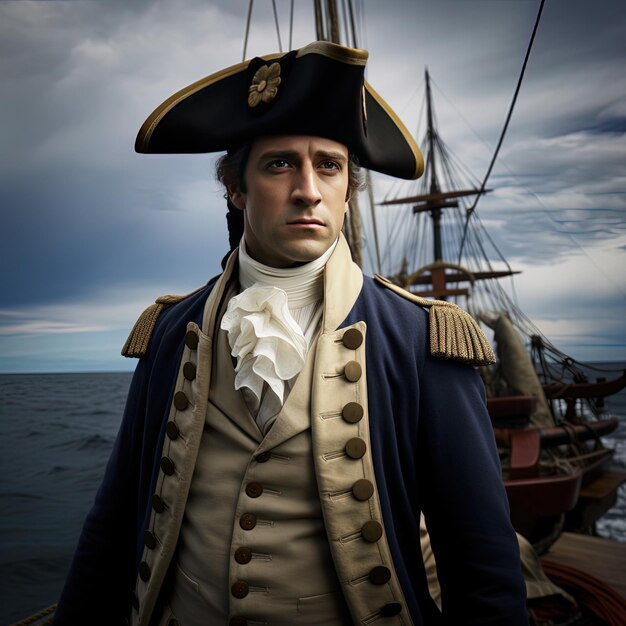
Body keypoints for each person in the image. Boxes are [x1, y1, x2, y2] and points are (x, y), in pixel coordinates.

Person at [54, 41, 527, 626]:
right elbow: (114, 521)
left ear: (348, 193)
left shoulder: (421, 338)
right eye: (280, 164)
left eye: (329, 165)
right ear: (235, 188)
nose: (309, 188)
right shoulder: (171, 332)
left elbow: (481, 561)